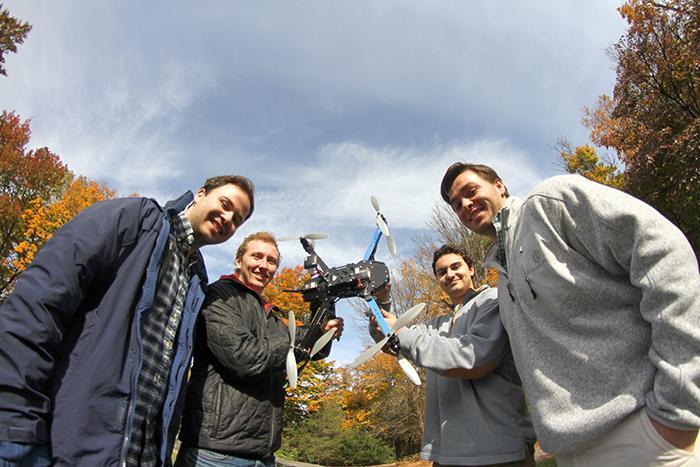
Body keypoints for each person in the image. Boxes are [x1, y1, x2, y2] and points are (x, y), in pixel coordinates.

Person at [440, 162, 700, 466]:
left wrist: (679, 407)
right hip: (568, 451)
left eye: (470, 192)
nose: (465, 205)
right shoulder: (501, 275)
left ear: (499, 185)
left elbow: (664, 255)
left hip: (644, 435)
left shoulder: (550, 204)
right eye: (456, 205)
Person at [0, 175, 255, 467]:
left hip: (141, 454)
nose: (227, 219)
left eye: (237, 219)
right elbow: (40, 302)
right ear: (200, 194)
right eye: (225, 204)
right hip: (69, 446)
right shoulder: (136, 220)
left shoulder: (197, 278)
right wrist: (14, 417)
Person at [176, 231, 344, 467]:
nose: (263, 265)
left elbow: (307, 353)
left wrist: (325, 320)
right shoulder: (219, 297)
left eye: (271, 261)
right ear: (239, 260)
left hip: (263, 455)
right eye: (257, 257)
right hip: (216, 454)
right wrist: (306, 332)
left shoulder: (271, 316)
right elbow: (245, 358)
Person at [370, 244, 535, 466]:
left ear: (472, 269)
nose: (449, 274)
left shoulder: (493, 302)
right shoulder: (438, 325)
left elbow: (472, 359)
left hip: (499, 451)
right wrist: (380, 300)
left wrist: (401, 334)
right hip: (448, 454)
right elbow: (392, 341)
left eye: (456, 266)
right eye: (442, 272)